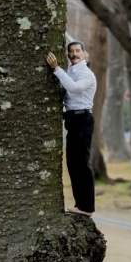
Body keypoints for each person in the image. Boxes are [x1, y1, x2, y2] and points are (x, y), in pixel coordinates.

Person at [46, 41, 97, 217]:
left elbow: (75, 89)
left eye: (77, 51)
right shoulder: (70, 72)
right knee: (73, 164)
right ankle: (80, 204)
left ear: (84, 53)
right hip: (73, 119)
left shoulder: (86, 74)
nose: (74, 54)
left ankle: (87, 207)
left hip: (83, 119)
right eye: (71, 51)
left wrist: (56, 69)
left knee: (82, 163)